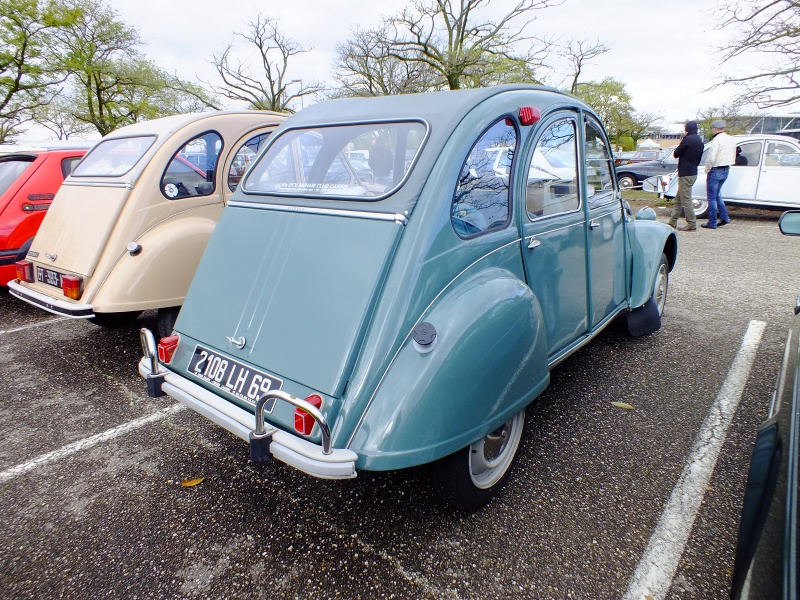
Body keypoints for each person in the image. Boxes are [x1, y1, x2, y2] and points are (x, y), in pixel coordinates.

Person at [669, 120, 705, 231]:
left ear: (687, 129)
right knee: (679, 198)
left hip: (685, 173)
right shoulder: (700, 141)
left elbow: (676, 154)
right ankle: (672, 221)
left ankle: (691, 224)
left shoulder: (687, 140)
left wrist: (681, 142)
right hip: (693, 172)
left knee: (685, 199)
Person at [701, 119, 737, 229]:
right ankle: (725, 217)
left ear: (715, 128)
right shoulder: (731, 139)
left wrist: (707, 169)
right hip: (726, 168)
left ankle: (712, 222)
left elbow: (711, 157)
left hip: (716, 169)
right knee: (717, 195)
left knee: (711, 197)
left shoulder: (716, 141)